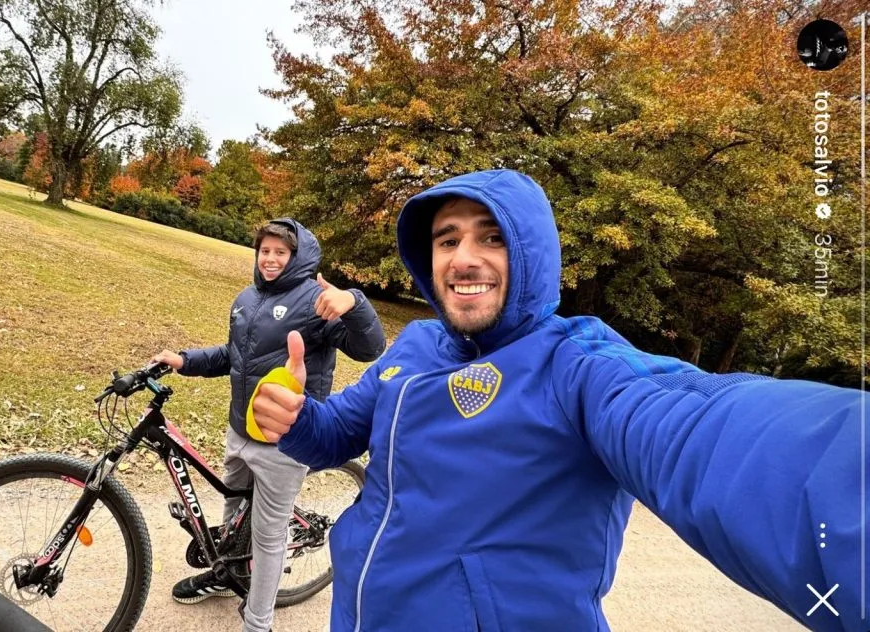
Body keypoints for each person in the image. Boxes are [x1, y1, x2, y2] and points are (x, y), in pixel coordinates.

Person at [249, 170, 864, 632]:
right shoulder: (414, 346)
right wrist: (298, 419)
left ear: (531, 253)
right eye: (447, 239)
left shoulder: (578, 364)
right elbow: (338, 432)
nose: (464, 258)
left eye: (492, 237)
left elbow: (705, 430)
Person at [152, 218, 386, 632]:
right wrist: (185, 361)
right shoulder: (247, 298)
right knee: (233, 514)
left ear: (296, 256)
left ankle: (258, 623)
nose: (271, 259)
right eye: (265, 251)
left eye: (281, 252)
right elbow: (232, 356)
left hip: (284, 439)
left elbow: (370, 348)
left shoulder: (315, 300)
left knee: (267, 536)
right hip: (240, 429)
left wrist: (353, 303)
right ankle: (227, 576)